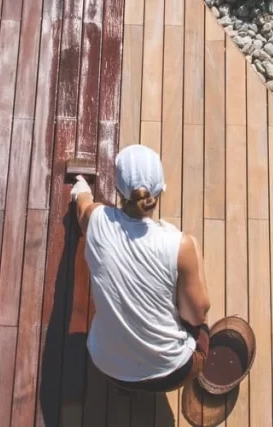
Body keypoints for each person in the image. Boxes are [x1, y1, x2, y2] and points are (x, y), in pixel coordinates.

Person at [69, 145, 212, 393]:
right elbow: (196, 315)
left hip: (108, 366)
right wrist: (193, 249)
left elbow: (82, 207)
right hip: (172, 372)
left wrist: (81, 187)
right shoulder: (179, 244)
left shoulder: (96, 220)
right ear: (159, 191)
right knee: (200, 319)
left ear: (119, 190)